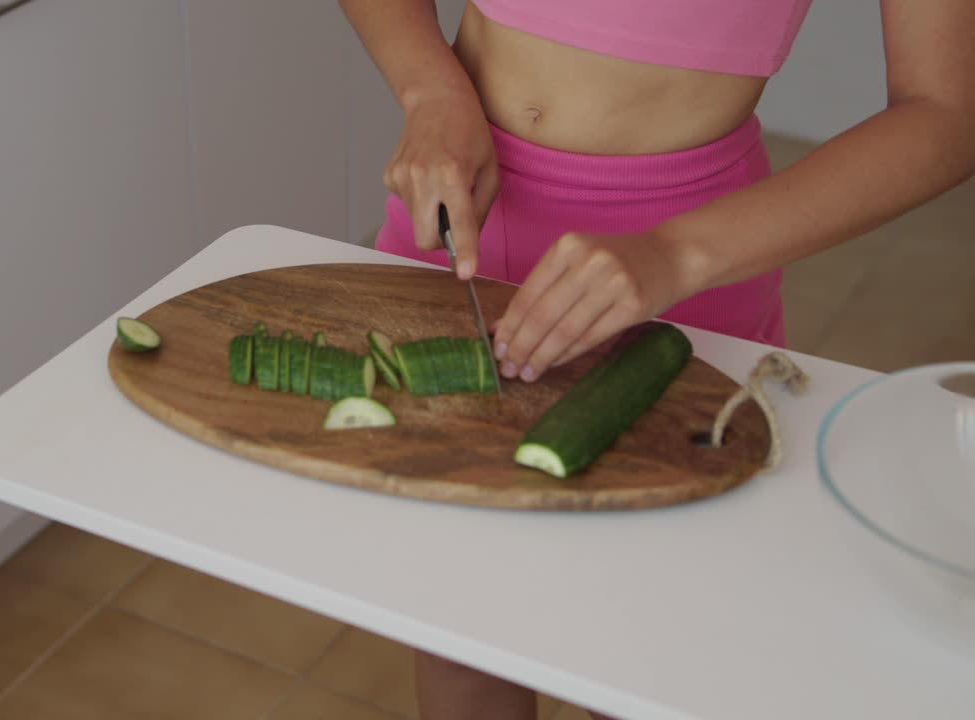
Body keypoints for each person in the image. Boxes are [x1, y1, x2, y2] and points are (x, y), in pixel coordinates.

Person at [339, 1, 975, 718]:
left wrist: (676, 254)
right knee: (461, 644)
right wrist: (430, 89)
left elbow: (948, 111)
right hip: (464, 218)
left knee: (644, 659)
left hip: (684, 268)